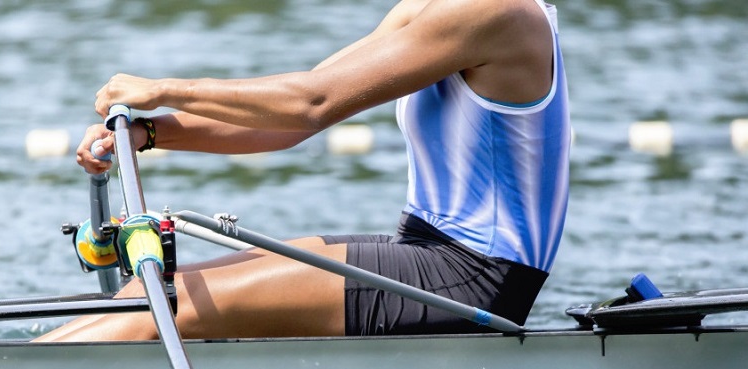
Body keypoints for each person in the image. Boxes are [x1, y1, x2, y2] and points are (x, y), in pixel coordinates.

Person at [35, 0, 571, 342]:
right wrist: (149, 132)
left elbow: (311, 103)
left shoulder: (495, 11)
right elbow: (287, 123)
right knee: (142, 294)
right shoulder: (427, 9)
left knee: (163, 308)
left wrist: (164, 89)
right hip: (425, 250)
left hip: (473, 280)